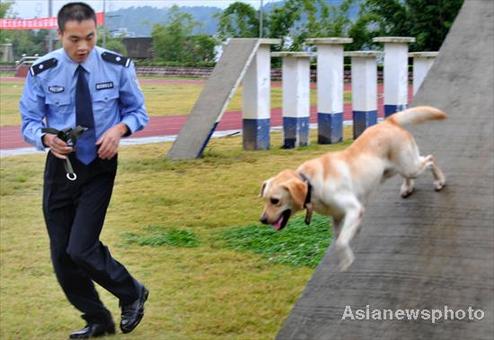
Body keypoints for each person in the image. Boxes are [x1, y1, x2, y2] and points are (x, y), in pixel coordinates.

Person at [20, 2, 149, 338]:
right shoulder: (43, 70)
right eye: (74, 39)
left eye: (90, 37)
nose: (83, 47)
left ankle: (131, 291)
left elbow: (138, 112)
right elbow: (29, 122)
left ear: (96, 32)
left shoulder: (116, 66)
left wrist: (119, 130)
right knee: (62, 256)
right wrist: (46, 137)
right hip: (61, 167)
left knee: (81, 247)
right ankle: (97, 319)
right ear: (59, 34)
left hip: (100, 166)